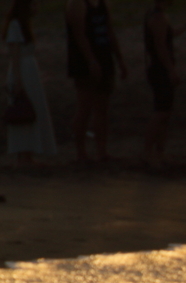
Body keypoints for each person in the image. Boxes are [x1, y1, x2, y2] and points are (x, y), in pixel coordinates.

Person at [65, 0, 127, 162]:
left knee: (102, 108)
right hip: (84, 62)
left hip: (105, 57)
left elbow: (109, 31)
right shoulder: (76, 4)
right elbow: (79, 34)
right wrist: (91, 60)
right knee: (84, 108)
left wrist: (119, 59)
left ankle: (101, 151)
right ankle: (81, 152)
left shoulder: (102, 3)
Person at [5, 0, 56, 165]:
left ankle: (26, 154)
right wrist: (19, 80)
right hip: (23, 72)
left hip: (28, 71)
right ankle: (24, 155)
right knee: (24, 111)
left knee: (30, 111)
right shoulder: (15, 24)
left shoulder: (23, 24)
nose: (36, 8)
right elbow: (15, 53)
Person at [143, 0, 186, 168]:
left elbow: (168, 35)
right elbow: (160, 46)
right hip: (159, 70)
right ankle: (147, 152)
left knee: (165, 113)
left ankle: (160, 151)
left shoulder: (158, 15)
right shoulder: (157, 18)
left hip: (159, 68)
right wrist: (171, 70)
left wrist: (185, 26)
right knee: (160, 112)